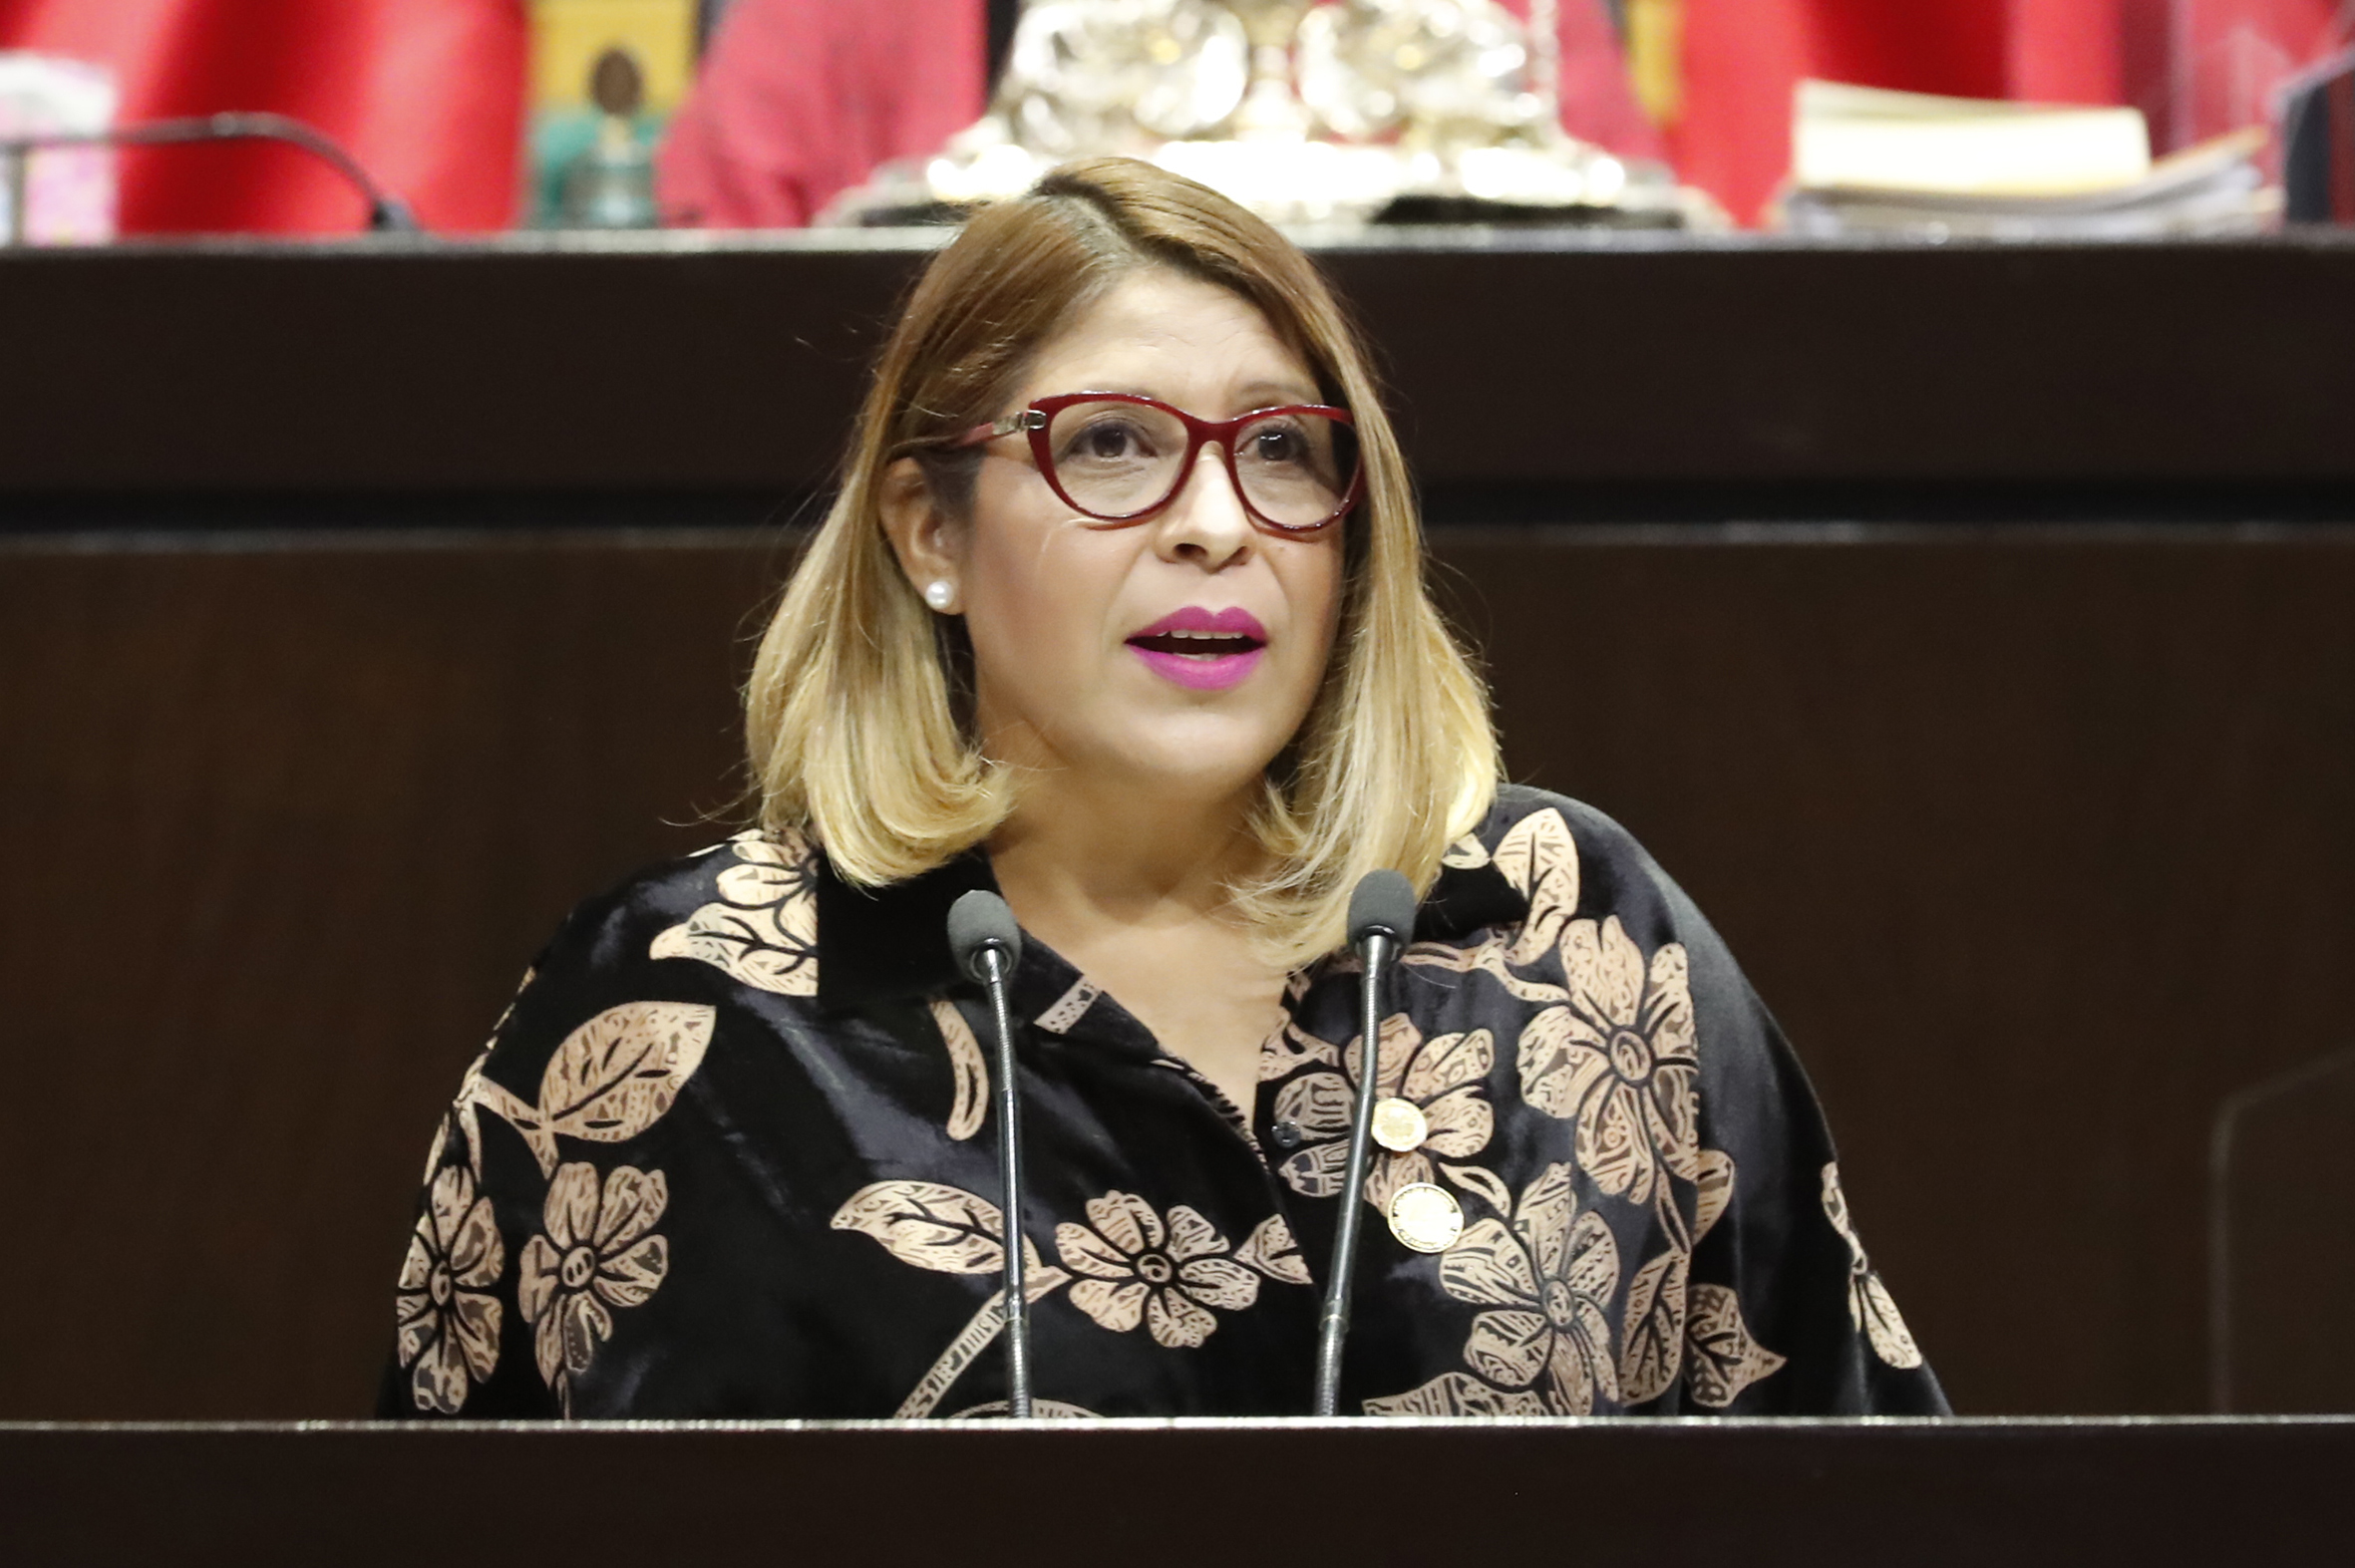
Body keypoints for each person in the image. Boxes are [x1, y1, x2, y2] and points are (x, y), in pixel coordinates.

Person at [380, 157, 1947, 1420]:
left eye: (1281, 451)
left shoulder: (1568, 930)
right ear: (930, 532)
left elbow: (1861, 1485)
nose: (1216, 521)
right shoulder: (683, 1016)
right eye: (1114, 444)